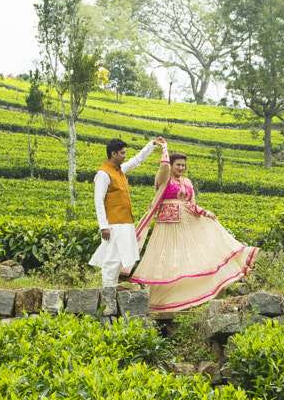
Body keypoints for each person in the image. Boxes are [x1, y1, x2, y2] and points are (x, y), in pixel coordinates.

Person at [129, 141, 257, 315]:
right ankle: (163, 301)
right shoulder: (163, 179)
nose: (181, 168)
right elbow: (163, 167)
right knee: (166, 258)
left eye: (183, 165)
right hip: (167, 224)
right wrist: (164, 149)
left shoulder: (187, 181)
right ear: (171, 165)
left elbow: (191, 204)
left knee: (188, 257)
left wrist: (205, 212)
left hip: (186, 222)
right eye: (178, 165)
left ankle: (191, 297)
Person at [89, 135, 158, 291]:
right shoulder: (103, 174)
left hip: (125, 222)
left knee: (120, 259)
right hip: (113, 224)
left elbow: (137, 160)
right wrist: (103, 226)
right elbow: (98, 201)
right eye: (122, 153)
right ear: (113, 154)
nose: (125, 156)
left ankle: (112, 290)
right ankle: (107, 291)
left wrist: (152, 144)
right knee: (111, 260)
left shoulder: (119, 170)